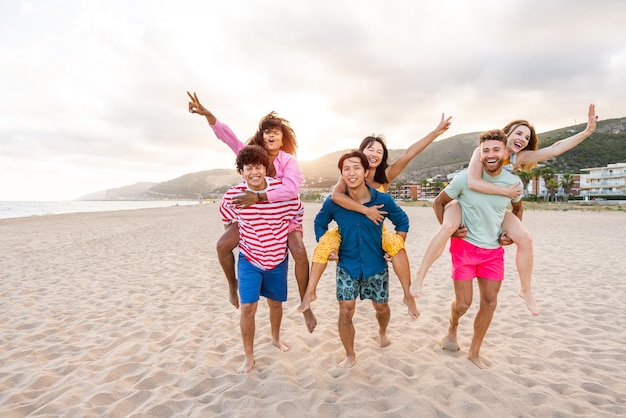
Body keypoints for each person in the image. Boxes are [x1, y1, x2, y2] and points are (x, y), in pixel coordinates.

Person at [411, 104, 598, 317]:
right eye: (518, 133)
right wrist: (505, 191)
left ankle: (525, 290)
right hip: (466, 202)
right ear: (506, 134)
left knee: (526, 238)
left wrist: (586, 131)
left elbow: (555, 148)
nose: (522, 139)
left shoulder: (520, 158)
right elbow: (472, 181)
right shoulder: (483, 151)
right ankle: (420, 275)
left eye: (527, 138)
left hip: (496, 206)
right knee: (447, 227)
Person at [187, 92, 317, 333]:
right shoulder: (252, 154)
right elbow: (229, 138)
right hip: (253, 216)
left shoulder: (288, 161)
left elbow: (291, 189)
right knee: (223, 245)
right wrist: (209, 116)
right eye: (267, 131)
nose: (271, 135)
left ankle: (306, 303)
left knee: (299, 251)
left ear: (282, 138)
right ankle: (231, 284)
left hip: (283, 216)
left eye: (276, 132)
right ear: (262, 135)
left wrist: (259, 196)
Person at [308, 114, 452, 320]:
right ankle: (310, 292)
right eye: (370, 149)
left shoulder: (387, 175)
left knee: (396, 247)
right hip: (349, 230)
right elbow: (336, 196)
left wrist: (436, 132)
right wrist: (366, 210)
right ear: (361, 152)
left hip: (377, 230)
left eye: (379, 151)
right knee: (327, 244)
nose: (374, 154)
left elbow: (410, 153)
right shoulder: (350, 173)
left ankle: (407, 295)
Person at [299, 150, 410, 368]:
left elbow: (402, 221)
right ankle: (350, 354)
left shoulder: (383, 200)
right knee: (345, 310)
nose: (351, 173)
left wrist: (396, 245)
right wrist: (328, 246)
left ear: (366, 171)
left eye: (356, 167)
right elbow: (320, 223)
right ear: (341, 174)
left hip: (376, 266)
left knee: (382, 308)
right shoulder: (334, 202)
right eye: (346, 169)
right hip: (347, 266)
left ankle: (382, 331)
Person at [434, 129, 523, 369]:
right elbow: (439, 203)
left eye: (496, 149)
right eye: (486, 150)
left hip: (493, 251)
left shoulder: (513, 183)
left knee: (490, 302)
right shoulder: (464, 179)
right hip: (464, 248)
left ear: (505, 153)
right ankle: (452, 326)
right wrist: (451, 230)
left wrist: (511, 236)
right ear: (479, 154)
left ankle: (474, 352)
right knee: (463, 303)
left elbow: (517, 209)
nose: (490, 154)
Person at [219, 145, 303, 374]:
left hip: (277, 259)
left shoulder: (282, 192)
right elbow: (226, 215)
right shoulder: (233, 194)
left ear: (265, 168)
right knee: (248, 308)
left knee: (275, 304)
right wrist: (237, 232)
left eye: (258, 166)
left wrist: (291, 234)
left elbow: (298, 211)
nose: (254, 172)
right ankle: (249, 357)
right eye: (248, 168)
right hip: (249, 258)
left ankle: (276, 338)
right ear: (242, 171)